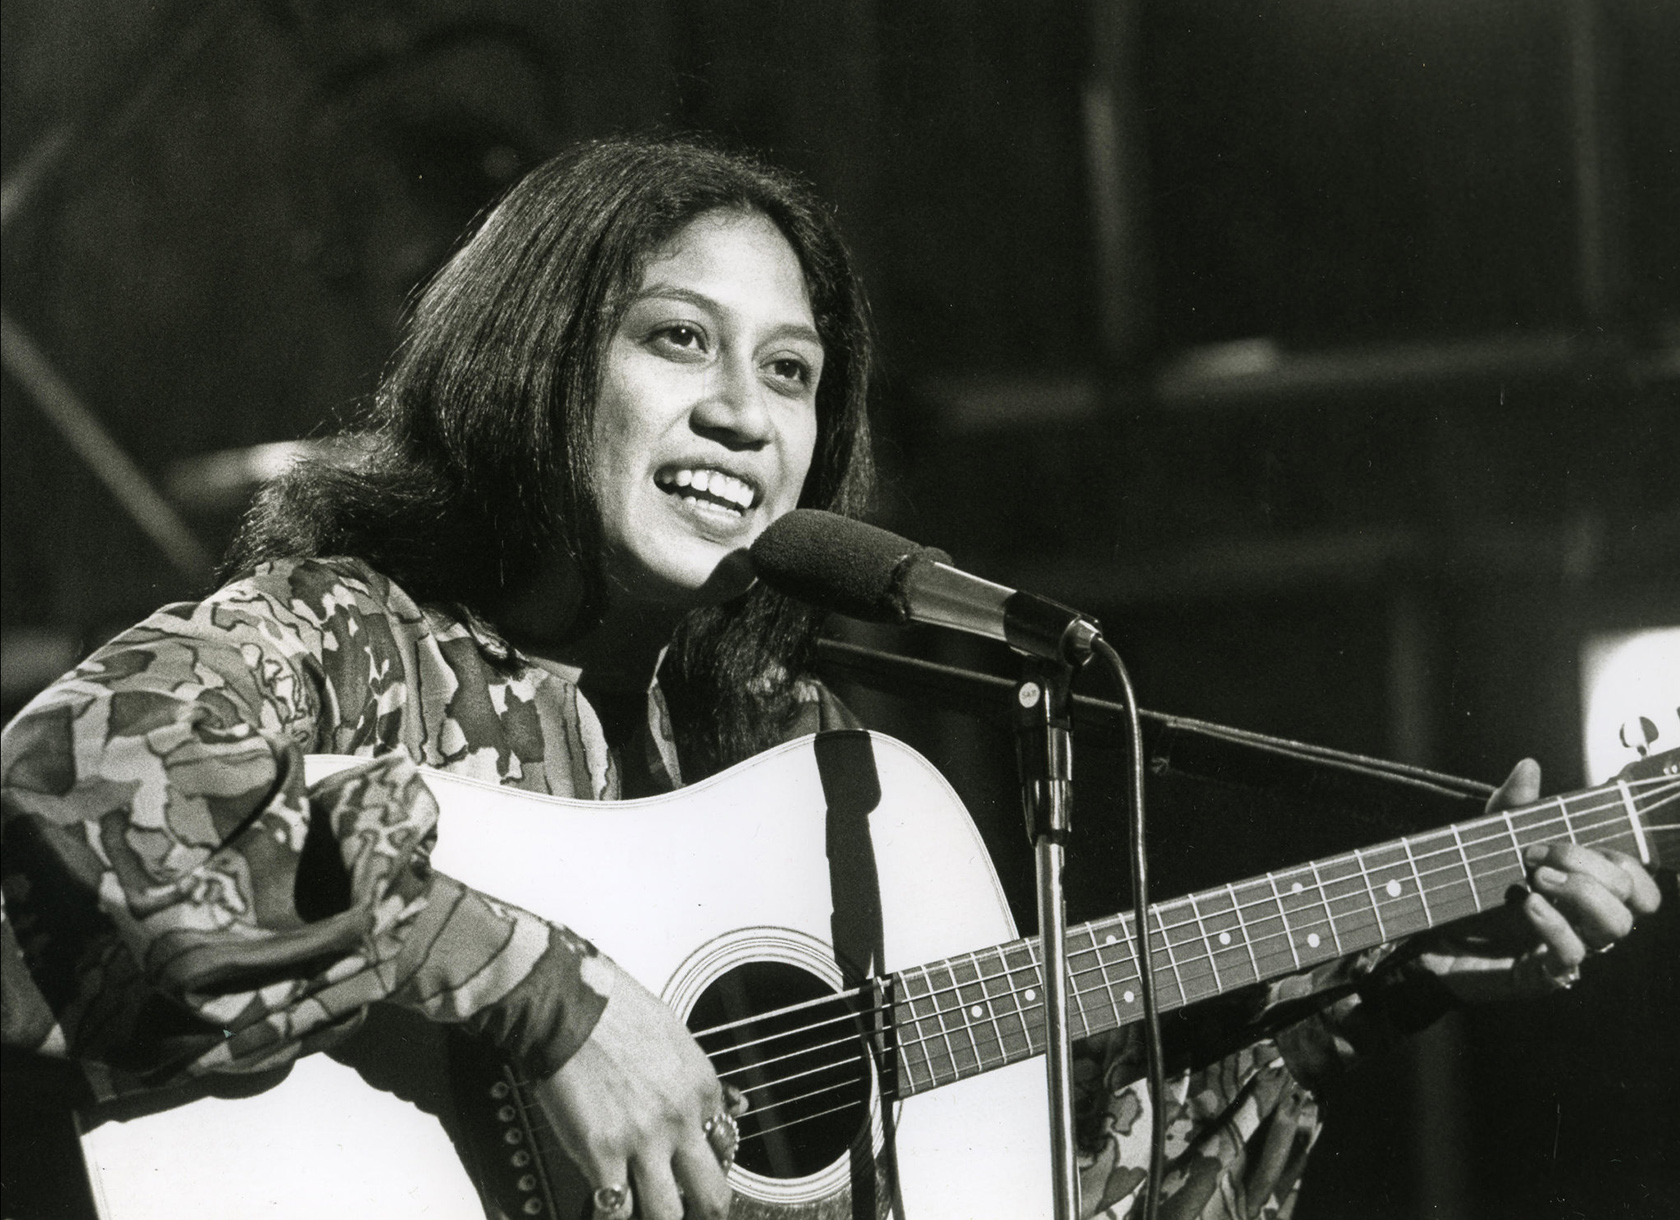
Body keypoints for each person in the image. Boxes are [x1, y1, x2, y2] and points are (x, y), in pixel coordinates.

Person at [0, 138, 1662, 1220]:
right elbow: (83, 768)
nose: (745, 412)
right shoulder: (354, 635)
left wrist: (1382, 984)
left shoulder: (818, 770)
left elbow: (1052, 1194)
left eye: (790, 373)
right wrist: (545, 997)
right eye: (677, 341)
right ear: (533, 359)